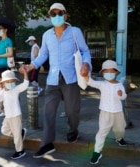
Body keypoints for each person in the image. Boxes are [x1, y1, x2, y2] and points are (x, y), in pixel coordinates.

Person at [22, 2, 92, 158]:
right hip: (53, 79)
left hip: (71, 78)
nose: (56, 17)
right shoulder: (47, 35)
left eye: (59, 13)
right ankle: (47, 144)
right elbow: (43, 55)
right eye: (53, 14)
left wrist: (86, 64)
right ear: (50, 17)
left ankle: (73, 130)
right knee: (48, 112)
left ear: (65, 15)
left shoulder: (75, 32)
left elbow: (85, 51)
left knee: (72, 111)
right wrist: (31, 66)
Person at [82, 60, 127, 164]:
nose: (109, 73)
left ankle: (119, 138)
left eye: (112, 71)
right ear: (102, 73)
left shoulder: (119, 85)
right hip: (105, 112)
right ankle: (97, 152)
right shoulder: (102, 84)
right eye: (106, 71)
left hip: (118, 112)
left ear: (116, 72)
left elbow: (124, 96)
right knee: (102, 132)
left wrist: (121, 95)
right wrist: (85, 76)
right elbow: (91, 82)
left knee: (120, 128)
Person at [0, 69, 29, 159]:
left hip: (16, 115)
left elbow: (25, 85)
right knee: (4, 130)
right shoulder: (2, 91)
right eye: (7, 81)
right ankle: (21, 133)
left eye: (12, 81)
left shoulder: (15, 89)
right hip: (8, 116)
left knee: (16, 135)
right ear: (3, 83)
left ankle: (20, 151)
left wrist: (25, 74)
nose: (10, 83)